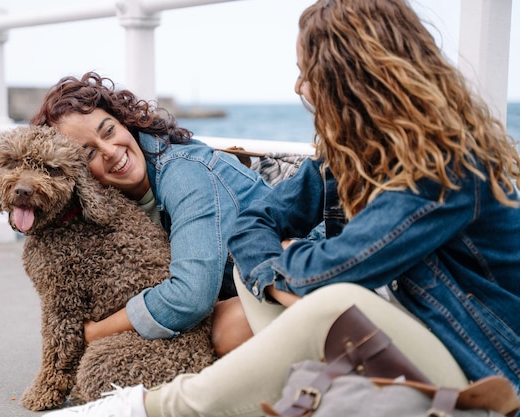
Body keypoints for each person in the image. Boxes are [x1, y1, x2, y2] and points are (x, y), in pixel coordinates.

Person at [43, 0, 520, 416]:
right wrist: (282, 269)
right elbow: (256, 222)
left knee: (321, 300)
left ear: (348, 79)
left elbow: (341, 269)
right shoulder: (347, 155)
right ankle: (312, 393)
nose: (297, 86)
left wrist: (288, 267)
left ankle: (151, 408)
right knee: (273, 282)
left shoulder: (448, 168)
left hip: (480, 371)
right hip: (392, 341)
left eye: (305, 71)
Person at [29, 72, 268, 356]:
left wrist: (93, 333)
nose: (110, 151)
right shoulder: (105, 201)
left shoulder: (184, 173)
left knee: (225, 331)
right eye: (89, 153)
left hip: (284, 277)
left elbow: (191, 298)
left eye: (108, 131)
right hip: (226, 291)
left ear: (124, 122)